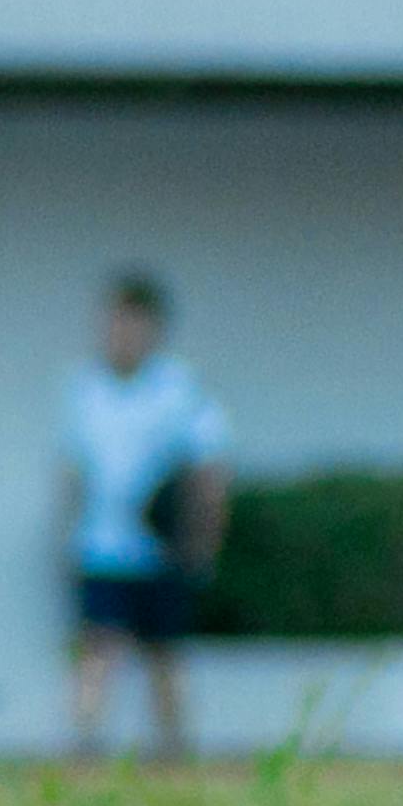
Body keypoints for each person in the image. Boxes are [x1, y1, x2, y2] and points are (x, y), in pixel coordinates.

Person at [60, 273, 232, 762]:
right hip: (102, 548)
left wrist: (201, 541)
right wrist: (67, 538)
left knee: (166, 658)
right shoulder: (83, 390)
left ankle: (174, 754)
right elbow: (72, 473)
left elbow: (207, 471)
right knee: (97, 652)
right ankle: (84, 753)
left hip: (161, 551)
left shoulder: (179, 390)